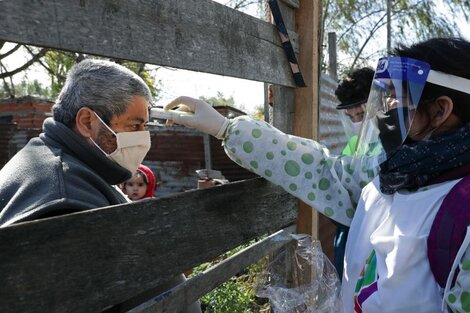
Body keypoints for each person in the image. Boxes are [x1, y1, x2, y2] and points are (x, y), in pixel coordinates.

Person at [163, 37, 470, 312]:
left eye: (397, 97)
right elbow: (322, 170)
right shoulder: (393, 173)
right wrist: (226, 128)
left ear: (440, 110)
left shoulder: (461, 209)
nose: (384, 108)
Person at [0, 59, 201, 313]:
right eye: (134, 125)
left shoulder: (64, 164)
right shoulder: (62, 198)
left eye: (145, 126)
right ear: (87, 122)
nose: (143, 137)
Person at [332, 67, 375, 280]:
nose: (357, 122)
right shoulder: (352, 145)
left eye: (361, 114)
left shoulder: (396, 140)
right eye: (351, 117)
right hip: (349, 231)